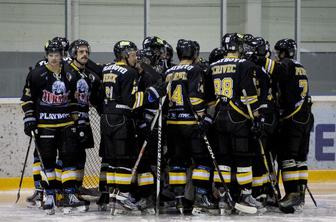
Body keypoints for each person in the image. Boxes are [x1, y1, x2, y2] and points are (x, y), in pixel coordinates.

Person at [99, 40, 165, 215]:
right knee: (124, 158)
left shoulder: (106, 69)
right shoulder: (129, 72)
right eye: (134, 54)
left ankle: (114, 196)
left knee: (111, 159)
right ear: (125, 55)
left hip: (105, 118)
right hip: (122, 119)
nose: (137, 58)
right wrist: (154, 92)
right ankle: (123, 196)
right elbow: (133, 101)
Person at [21, 40, 85, 214]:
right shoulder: (36, 74)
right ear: (46, 56)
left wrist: (77, 120)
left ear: (62, 55)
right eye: (51, 55)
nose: (54, 58)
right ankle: (49, 194)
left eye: (57, 55)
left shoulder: (70, 74)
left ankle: (70, 193)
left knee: (69, 159)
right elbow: (27, 99)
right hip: (45, 125)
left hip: (65, 124)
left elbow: (74, 100)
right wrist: (29, 119)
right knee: (47, 160)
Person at [209, 33, 265, 214]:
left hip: (219, 117)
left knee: (223, 158)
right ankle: (245, 195)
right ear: (238, 47)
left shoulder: (213, 66)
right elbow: (249, 94)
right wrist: (256, 117)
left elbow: (209, 98)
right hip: (238, 117)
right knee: (243, 157)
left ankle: (224, 197)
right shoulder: (245, 65)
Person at [255, 39, 314, 213]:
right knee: (300, 159)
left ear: (284, 52)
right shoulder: (300, 65)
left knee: (287, 157)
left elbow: (277, 70)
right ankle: (300, 191)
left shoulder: (287, 64)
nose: (276, 56)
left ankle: (292, 193)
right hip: (305, 118)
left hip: (293, 119)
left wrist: (260, 59)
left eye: (278, 52)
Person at [164, 39, 214, 215]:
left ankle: (179, 200)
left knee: (177, 162)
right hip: (190, 124)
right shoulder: (196, 70)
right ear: (194, 54)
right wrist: (202, 117)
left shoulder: (169, 71)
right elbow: (195, 96)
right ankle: (201, 198)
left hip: (172, 124)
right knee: (203, 161)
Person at [66, 39, 102, 209]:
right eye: (81, 52)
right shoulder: (66, 72)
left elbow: (94, 99)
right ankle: (67, 192)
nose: (85, 54)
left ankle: (77, 190)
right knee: (69, 156)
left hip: (84, 121)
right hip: (68, 123)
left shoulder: (89, 75)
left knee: (82, 157)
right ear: (73, 54)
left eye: (86, 51)